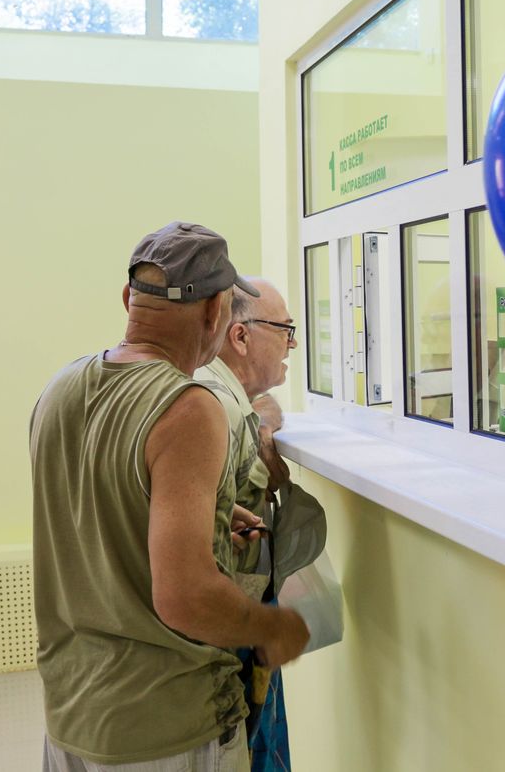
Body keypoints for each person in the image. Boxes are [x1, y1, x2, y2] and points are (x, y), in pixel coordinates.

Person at [30, 222, 308, 772]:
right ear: (214, 314)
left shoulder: (59, 387)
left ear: (129, 297)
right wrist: (274, 628)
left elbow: (101, 518)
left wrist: (209, 520)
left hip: (71, 718)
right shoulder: (188, 407)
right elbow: (184, 598)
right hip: (166, 730)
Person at [196, 278, 298, 771]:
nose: (292, 343)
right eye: (285, 329)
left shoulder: (231, 399)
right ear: (240, 336)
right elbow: (220, 522)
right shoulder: (220, 407)